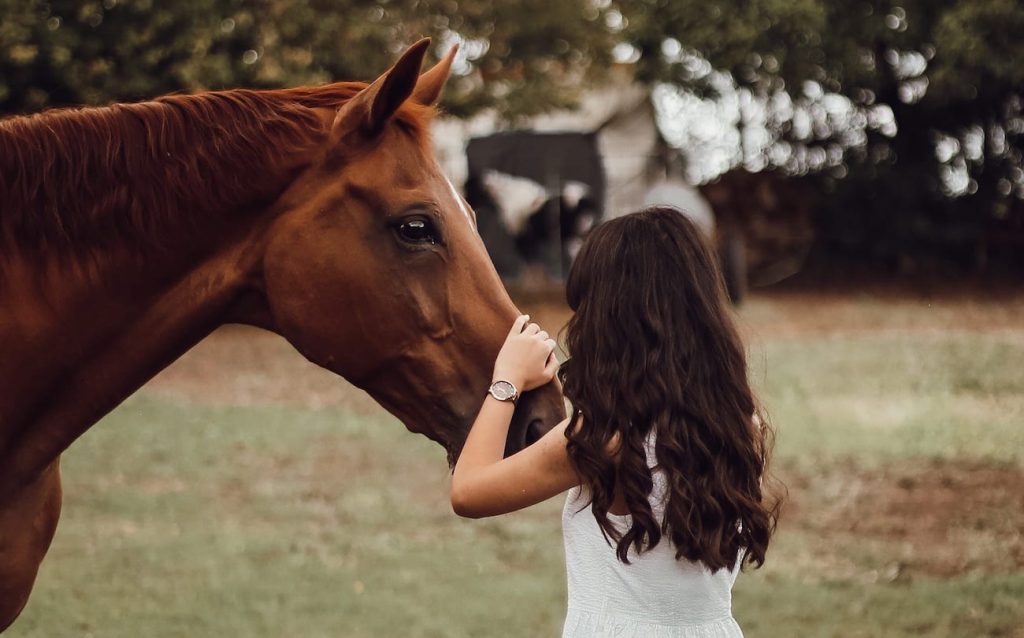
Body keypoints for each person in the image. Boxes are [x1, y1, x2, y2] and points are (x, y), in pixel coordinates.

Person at [451, 206, 780, 637]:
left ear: (610, 319)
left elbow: (468, 491)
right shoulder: (738, 425)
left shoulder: (600, 440)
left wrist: (507, 380)